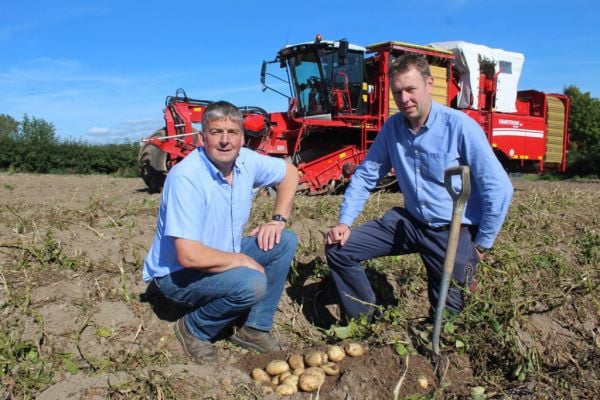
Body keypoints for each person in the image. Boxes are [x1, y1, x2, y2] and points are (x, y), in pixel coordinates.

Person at [325, 53, 513, 323]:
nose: (404, 99)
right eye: (397, 92)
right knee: (339, 249)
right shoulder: (392, 128)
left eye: (411, 89)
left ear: (429, 84)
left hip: (454, 231)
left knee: (448, 320)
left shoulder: (459, 127)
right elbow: (366, 176)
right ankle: (365, 322)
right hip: (411, 223)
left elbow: (499, 188)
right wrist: (345, 222)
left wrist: (481, 245)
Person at [143, 101, 299, 362]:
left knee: (283, 240)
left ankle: (254, 329)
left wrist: (278, 219)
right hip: (178, 275)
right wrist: (242, 260)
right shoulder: (187, 178)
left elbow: (290, 173)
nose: (225, 141)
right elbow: (189, 256)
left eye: (232, 133)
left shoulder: (246, 161)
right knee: (252, 282)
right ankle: (194, 329)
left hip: (222, 255)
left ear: (242, 137)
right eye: (216, 133)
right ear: (203, 137)